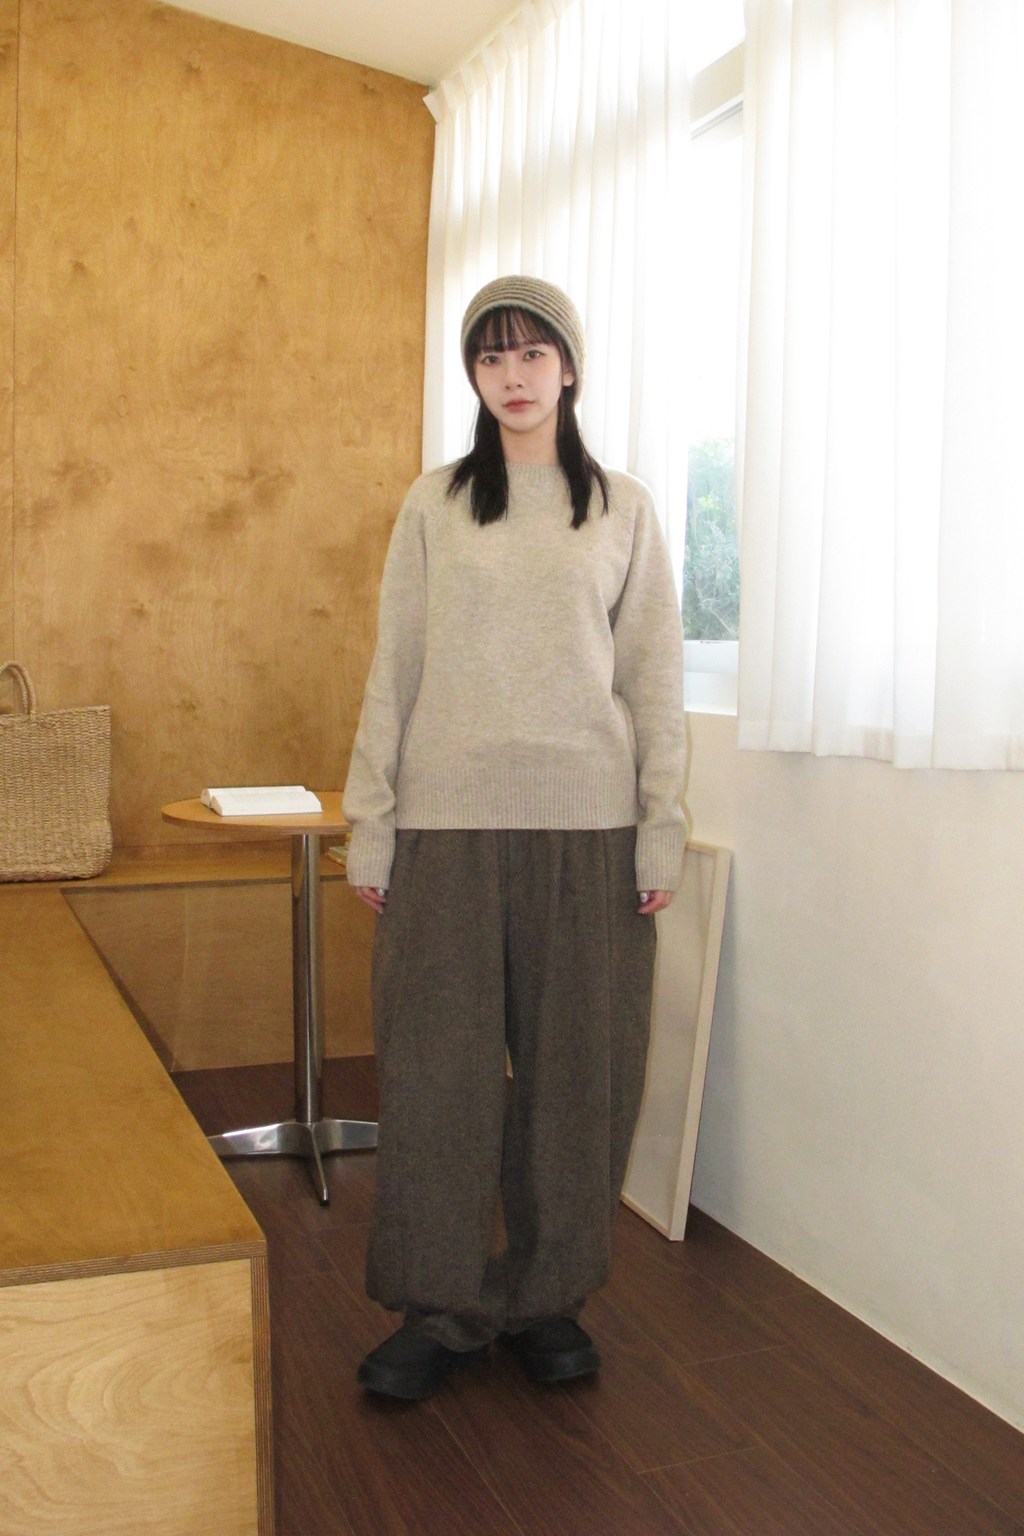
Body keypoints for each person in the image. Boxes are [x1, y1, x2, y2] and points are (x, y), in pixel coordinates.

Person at [342, 274, 687, 1401]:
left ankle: (547, 1299)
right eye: (491, 357)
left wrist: (660, 830)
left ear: (569, 367)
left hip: (589, 828)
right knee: (436, 1074)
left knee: (577, 1079)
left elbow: (654, 681)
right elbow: (394, 669)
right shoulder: (434, 503)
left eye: (532, 353)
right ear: (475, 377)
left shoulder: (623, 508)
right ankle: (440, 1308)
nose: (513, 375)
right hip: (445, 826)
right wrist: (372, 824)